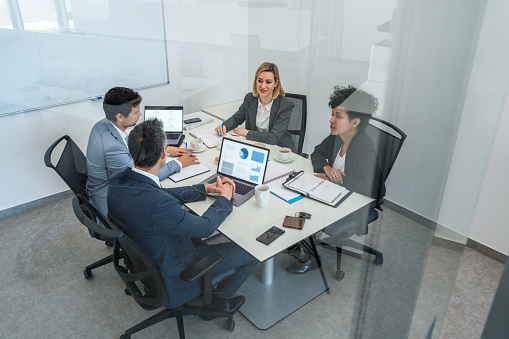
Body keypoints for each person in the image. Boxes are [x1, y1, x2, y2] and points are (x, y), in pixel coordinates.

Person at [107, 118, 257, 313]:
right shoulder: (160, 204)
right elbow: (206, 227)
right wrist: (225, 198)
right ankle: (216, 305)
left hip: (146, 256)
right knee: (252, 252)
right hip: (175, 273)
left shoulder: (118, 181)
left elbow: (162, 194)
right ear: (163, 153)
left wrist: (204, 189)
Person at [286, 85, 385, 274]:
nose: (331, 120)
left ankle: (310, 257)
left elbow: (377, 190)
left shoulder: (364, 148)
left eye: (338, 116)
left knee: (302, 207)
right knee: (294, 193)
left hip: (355, 203)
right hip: (333, 192)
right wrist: (326, 167)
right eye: (333, 114)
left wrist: (337, 181)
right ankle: (298, 245)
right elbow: (317, 153)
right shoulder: (338, 136)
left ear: (355, 122)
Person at [86, 86, 197, 216]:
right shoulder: (112, 148)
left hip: (112, 185)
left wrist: (162, 149)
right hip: (111, 202)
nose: (140, 115)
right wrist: (178, 163)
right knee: (167, 204)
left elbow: (129, 149)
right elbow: (143, 176)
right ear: (120, 116)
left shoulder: (104, 124)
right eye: (136, 112)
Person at [215, 62, 296, 152]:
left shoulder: (285, 105)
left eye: (268, 82)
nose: (263, 86)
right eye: (260, 81)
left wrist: (247, 133)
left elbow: (273, 138)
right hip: (255, 146)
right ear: (255, 80)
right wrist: (224, 126)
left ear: (276, 83)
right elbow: (237, 118)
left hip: (280, 150)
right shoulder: (250, 99)